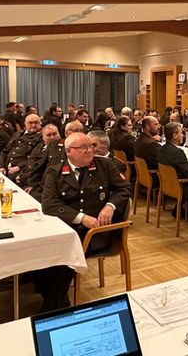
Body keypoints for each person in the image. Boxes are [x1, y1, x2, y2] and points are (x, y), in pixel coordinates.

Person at [38, 133, 132, 311]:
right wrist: (81, 218)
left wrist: (110, 206)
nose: (90, 150)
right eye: (84, 148)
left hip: (96, 233)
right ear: (68, 151)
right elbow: (49, 204)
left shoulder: (104, 165)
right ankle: (54, 298)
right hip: (66, 228)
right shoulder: (55, 170)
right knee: (41, 252)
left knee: (64, 255)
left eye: (91, 146)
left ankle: (52, 309)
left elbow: (124, 188)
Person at [157, 122, 188, 207]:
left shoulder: (161, 149)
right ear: (174, 136)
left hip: (167, 185)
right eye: (181, 133)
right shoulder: (178, 153)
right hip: (180, 187)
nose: (183, 136)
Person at [0, 112, 43, 182]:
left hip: (21, 170)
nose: (33, 125)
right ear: (25, 123)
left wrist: (19, 167)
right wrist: (1, 166)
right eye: (30, 123)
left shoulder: (41, 137)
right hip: (5, 168)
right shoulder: (17, 134)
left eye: (36, 122)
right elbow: (5, 151)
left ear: (40, 123)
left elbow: (35, 158)